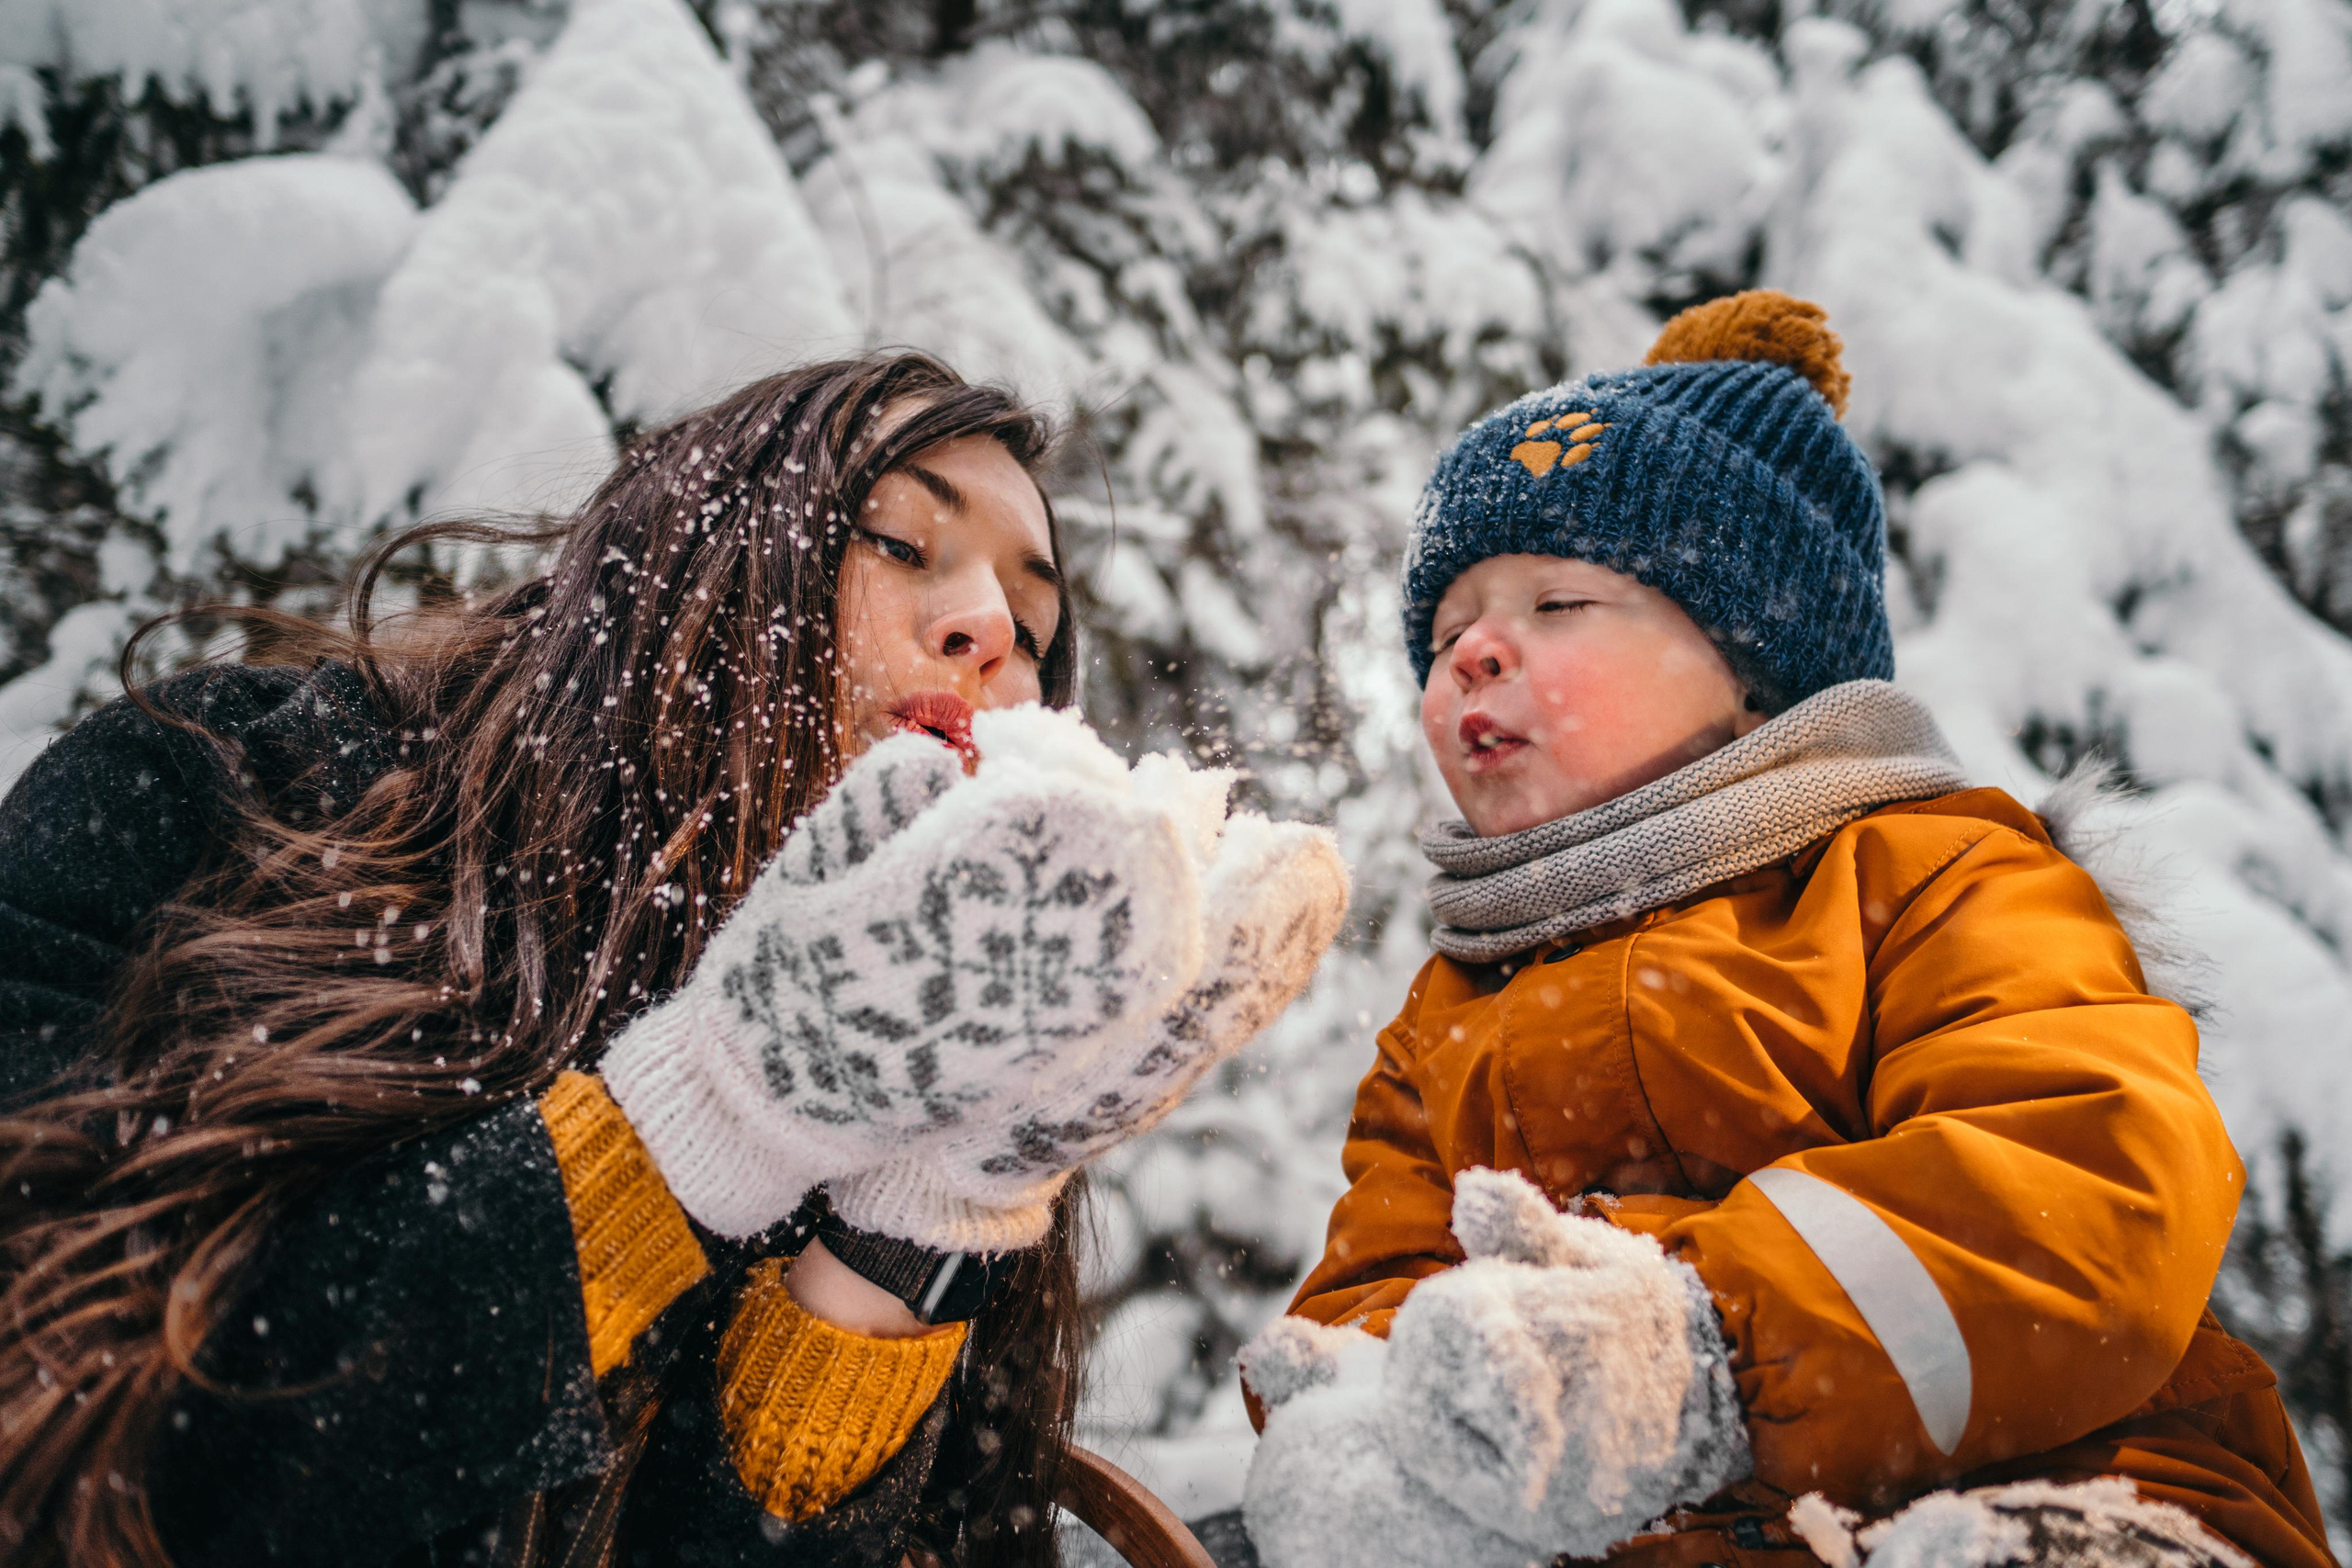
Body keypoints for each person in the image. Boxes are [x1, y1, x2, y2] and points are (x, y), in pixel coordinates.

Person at [0, 352, 1349, 1568]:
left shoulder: (939, 1053)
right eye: (900, 539)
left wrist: (925, 1228)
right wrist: (712, 1112)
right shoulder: (239, 793)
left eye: (1037, 633)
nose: (990, 628)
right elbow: (97, 1457)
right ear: (690, 568)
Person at [1233, 293, 2335, 1568]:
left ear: (1756, 666)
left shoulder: (1930, 877)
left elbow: (2083, 1184)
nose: (1474, 652)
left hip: (2062, 1486)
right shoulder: (1453, 1015)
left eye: (1556, 605)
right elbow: (1368, 1298)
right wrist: (1384, 1432)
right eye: (1445, 631)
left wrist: (1695, 1345)